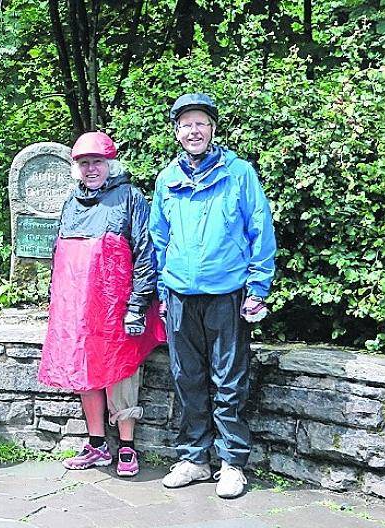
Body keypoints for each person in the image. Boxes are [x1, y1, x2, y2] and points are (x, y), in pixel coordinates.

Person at [150, 93, 276, 499]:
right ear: (176, 132)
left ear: (213, 129)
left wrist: (257, 288)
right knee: (187, 378)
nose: (194, 130)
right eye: (186, 124)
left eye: (201, 123)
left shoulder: (239, 174)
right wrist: (163, 291)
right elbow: (159, 238)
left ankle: (232, 463)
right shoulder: (166, 180)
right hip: (181, 295)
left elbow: (260, 230)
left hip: (226, 294)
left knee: (229, 380)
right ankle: (194, 459)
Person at [39, 131, 165, 478]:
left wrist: (137, 306)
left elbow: (145, 254)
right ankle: (96, 444)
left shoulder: (130, 198)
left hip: (116, 306)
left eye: (97, 162)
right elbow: (61, 257)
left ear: (109, 164)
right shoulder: (70, 203)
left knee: (121, 372)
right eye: (84, 163)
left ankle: (126, 446)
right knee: (85, 372)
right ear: (76, 168)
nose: (91, 169)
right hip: (78, 309)